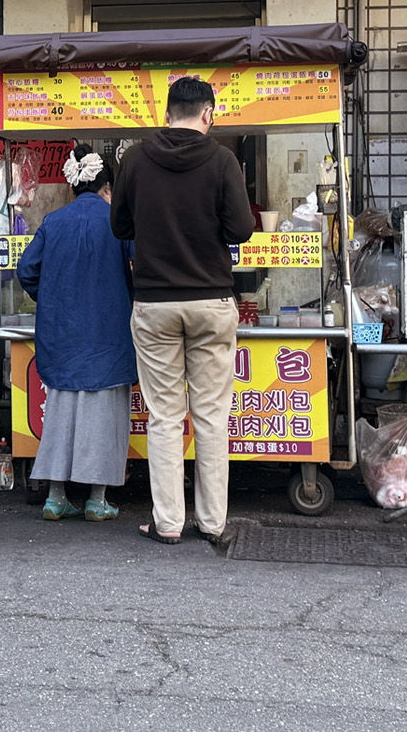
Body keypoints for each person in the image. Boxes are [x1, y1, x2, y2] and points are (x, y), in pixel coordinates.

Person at [111, 76, 255, 546]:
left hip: (154, 303)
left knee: (165, 417)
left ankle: (168, 522)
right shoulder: (222, 159)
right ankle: (213, 523)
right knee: (212, 416)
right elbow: (241, 230)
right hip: (211, 300)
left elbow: (120, 226)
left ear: (167, 113)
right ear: (208, 114)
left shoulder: (134, 159)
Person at [16, 145, 136, 522]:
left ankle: (55, 497)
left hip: (62, 334)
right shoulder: (119, 222)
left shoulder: (54, 222)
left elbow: (26, 272)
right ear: (107, 188)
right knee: (103, 416)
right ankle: (97, 500)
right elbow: (141, 268)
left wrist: (51, 297)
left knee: (61, 415)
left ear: (73, 188)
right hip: (108, 335)